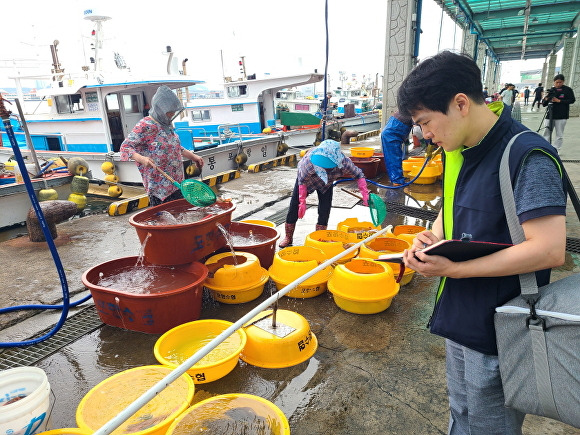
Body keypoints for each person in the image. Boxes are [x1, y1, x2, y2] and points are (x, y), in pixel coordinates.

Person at [397, 50, 566, 435]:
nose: (424, 135)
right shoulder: (459, 152)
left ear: (460, 104)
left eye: (425, 122)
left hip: (501, 325)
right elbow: (450, 212)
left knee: (491, 424)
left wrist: (456, 269)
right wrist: (430, 238)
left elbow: (549, 249)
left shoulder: (526, 155)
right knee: (462, 411)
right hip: (461, 314)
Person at [120, 85, 204, 206]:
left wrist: (194, 157)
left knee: (180, 216)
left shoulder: (167, 125)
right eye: (169, 113)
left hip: (178, 184)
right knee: (164, 219)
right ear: (160, 109)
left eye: (173, 112)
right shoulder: (145, 125)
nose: (171, 115)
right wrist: (142, 159)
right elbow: (125, 147)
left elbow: (176, 148)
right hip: (159, 188)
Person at [278, 139, 369, 248]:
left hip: (327, 184)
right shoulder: (308, 163)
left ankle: (320, 237)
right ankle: (288, 237)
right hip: (308, 183)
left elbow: (359, 175)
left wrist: (364, 193)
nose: (324, 167)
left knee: (325, 209)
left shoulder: (344, 162)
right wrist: (302, 202)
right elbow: (302, 181)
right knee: (294, 206)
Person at [542, 73, 576, 153]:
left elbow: (572, 100)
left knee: (559, 133)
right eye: (556, 82)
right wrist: (547, 98)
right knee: (546, 132)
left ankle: (556, 149)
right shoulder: (551, 90)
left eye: (560, 82)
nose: (558, 84)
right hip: (550, 115)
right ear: (554, 82)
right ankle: (545, 148)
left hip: (561, 116)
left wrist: (559, 101)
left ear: (563, 82)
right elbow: (544, 104)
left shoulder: (568, 90)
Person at [380, 111, 413, 185]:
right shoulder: (415, 109)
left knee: (395, 157)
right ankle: (397, 181)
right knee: (393, 158)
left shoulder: (408, 108)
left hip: (392, 131)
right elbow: (418, 128)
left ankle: (397, 178)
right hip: (391, 135)